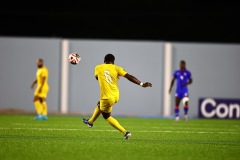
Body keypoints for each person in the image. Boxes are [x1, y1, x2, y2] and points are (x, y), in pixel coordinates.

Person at [82, 53, 152, 139]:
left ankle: (125, 132)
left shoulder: (98, 67)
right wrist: (142, 84)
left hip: (107, 97)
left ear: (104, 61)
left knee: (107, 117)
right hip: (116, 95)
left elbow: (97, 78)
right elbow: (129, 76)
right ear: (113, 62)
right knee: (99, 104)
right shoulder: (117, 68)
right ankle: (90, 122)